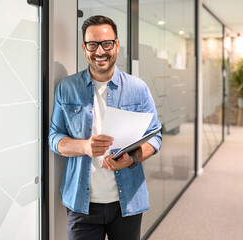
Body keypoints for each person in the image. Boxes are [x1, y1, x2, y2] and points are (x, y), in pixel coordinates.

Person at [48, 15, 162, 240]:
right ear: (84, 47)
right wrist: (85, 147)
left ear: (117, 45)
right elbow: (54, 137)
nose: (100, 52)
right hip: (82, 205)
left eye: (106, 44)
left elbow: (155, 137)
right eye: (92, 44)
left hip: (127, 202)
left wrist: (132, 159)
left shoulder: (138, 89)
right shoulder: (67, 88)